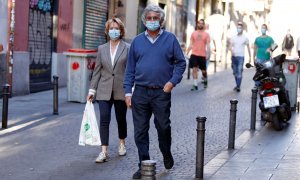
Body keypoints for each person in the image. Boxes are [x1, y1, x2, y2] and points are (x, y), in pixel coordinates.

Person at [123, 4, 186, 179]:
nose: (152, 21)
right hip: (140, 92)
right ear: (144, 20)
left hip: (161, 92)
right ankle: (144, 165)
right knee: (140, 131)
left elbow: (181, 63)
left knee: (163, 127)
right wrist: (128, 92)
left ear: (161, 20)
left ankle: (166, 152)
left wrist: (172, 82)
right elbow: (130, 69)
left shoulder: (170, 39)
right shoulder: (136, 41)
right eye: (149, 18)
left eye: (155, 18)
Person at [87, 18, 129, 163]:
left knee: (121, 119)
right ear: (107, 31)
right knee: (104, 119)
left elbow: (130, 71)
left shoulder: (127, 48)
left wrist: (131, 90)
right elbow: (97, 71)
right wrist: (92, 90)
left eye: (116, 28)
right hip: (104, 90)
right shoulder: (101, 48)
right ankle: (103, 151)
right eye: (111, 28)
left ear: (121, 30)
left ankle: (122, 143)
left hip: (121, 89)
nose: (113, 31)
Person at [186, 19, 211, 90]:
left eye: (202, 23)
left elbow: (208, 45)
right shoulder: (193, 33)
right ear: (197, 24)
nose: (200, 24)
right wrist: (187, 52)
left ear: (203, 25)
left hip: (202, 55)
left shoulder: (206, 34)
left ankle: (205, 79)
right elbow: (191, 44)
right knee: (194, 69)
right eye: (199, 23)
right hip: (194, 54)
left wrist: (208, 54)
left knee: (203, 71)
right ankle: (195, 85)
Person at [229, 22, 251, 92]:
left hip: (241, 57)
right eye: (238, 27)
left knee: (239, 71)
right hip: (234, 57)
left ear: (242, 29)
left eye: (240, 28)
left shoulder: (245, 38)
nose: (239, 29)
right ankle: (237, 84)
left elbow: (248, 47)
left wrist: (250, 56)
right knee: (235, 72)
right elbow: (230, 46)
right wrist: (231, 52)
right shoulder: (233, 37)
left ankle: (238, 86)